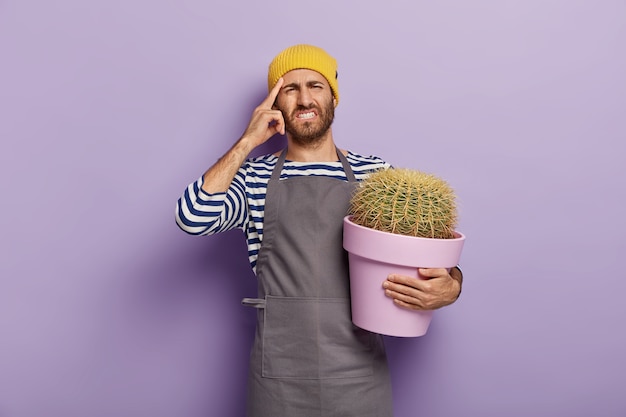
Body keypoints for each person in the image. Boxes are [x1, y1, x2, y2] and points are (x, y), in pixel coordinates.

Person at [176, 44, 463, 417]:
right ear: (275, 104)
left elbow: (429, 250)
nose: (304, 98)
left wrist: (451, 284)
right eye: (289, 89)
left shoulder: (376, 176)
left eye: (315, 85)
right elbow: (192, 218)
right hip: (277, 380)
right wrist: (247, 142)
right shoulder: (253, 178)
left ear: (333, 97)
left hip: (360, 377)